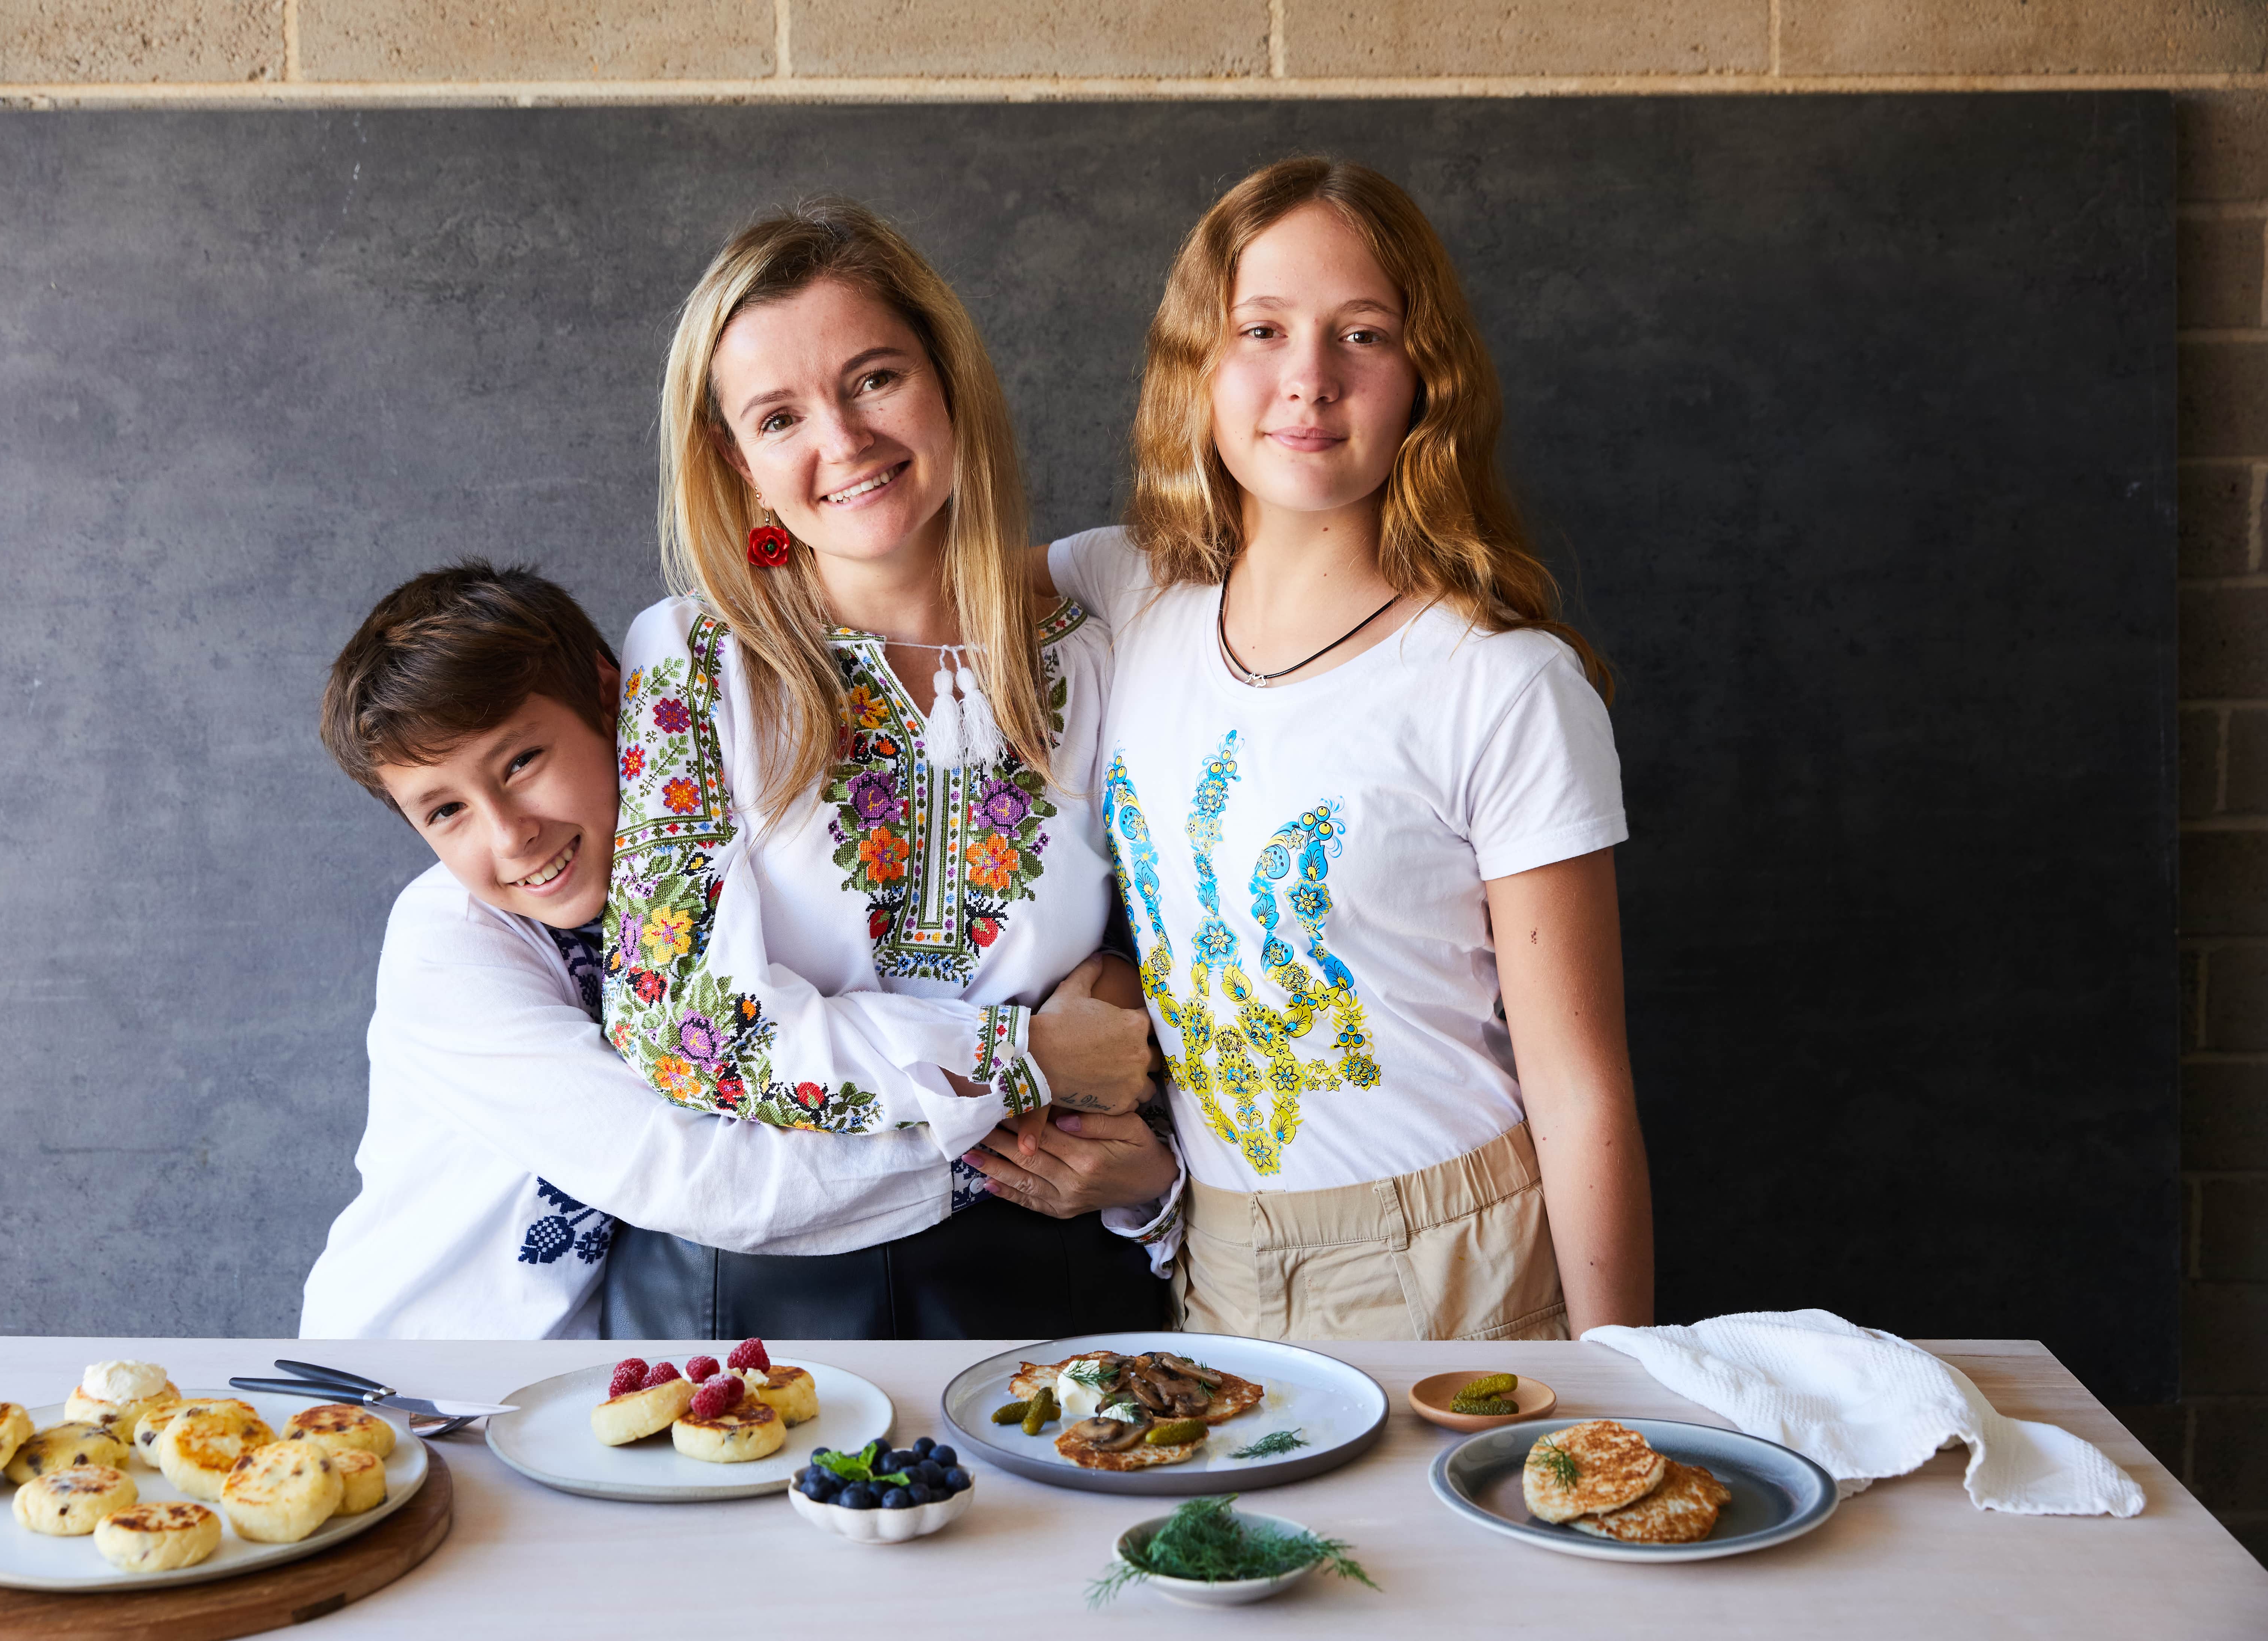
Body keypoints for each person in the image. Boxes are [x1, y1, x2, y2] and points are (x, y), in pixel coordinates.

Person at [1041, 157, 1655, 1341]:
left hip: (1452, 1260)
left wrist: (1616, 1375)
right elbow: (908, 584)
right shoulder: (1128, 592)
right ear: (1197, 367)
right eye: (1259, 330)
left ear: (1423, 376)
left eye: (1360, 334)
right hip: (1211, 1250)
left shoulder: (1501, 682)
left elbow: (1579, 1089)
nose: (1306, 380)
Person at [297, 562, 1173, 1338]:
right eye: (444, 811)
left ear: (616, 698)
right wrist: (1024, 1089)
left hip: (580, 1380)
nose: (510, 834)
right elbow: (699, 1174)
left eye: (521, 761)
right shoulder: (448, 943)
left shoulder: (729, 877)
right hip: (407, 1369)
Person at [597, 198, 1181, 1337]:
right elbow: (679, 1020)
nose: (844, 441)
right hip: (761, 1293)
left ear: (947, 379)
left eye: (872, 379)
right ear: (737, 463)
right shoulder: (694, 656)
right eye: (779, 417)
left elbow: (1161, 957)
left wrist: (1120, 1050)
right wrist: (1021, 1054)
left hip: (1054, 1268)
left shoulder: (1097, 647)